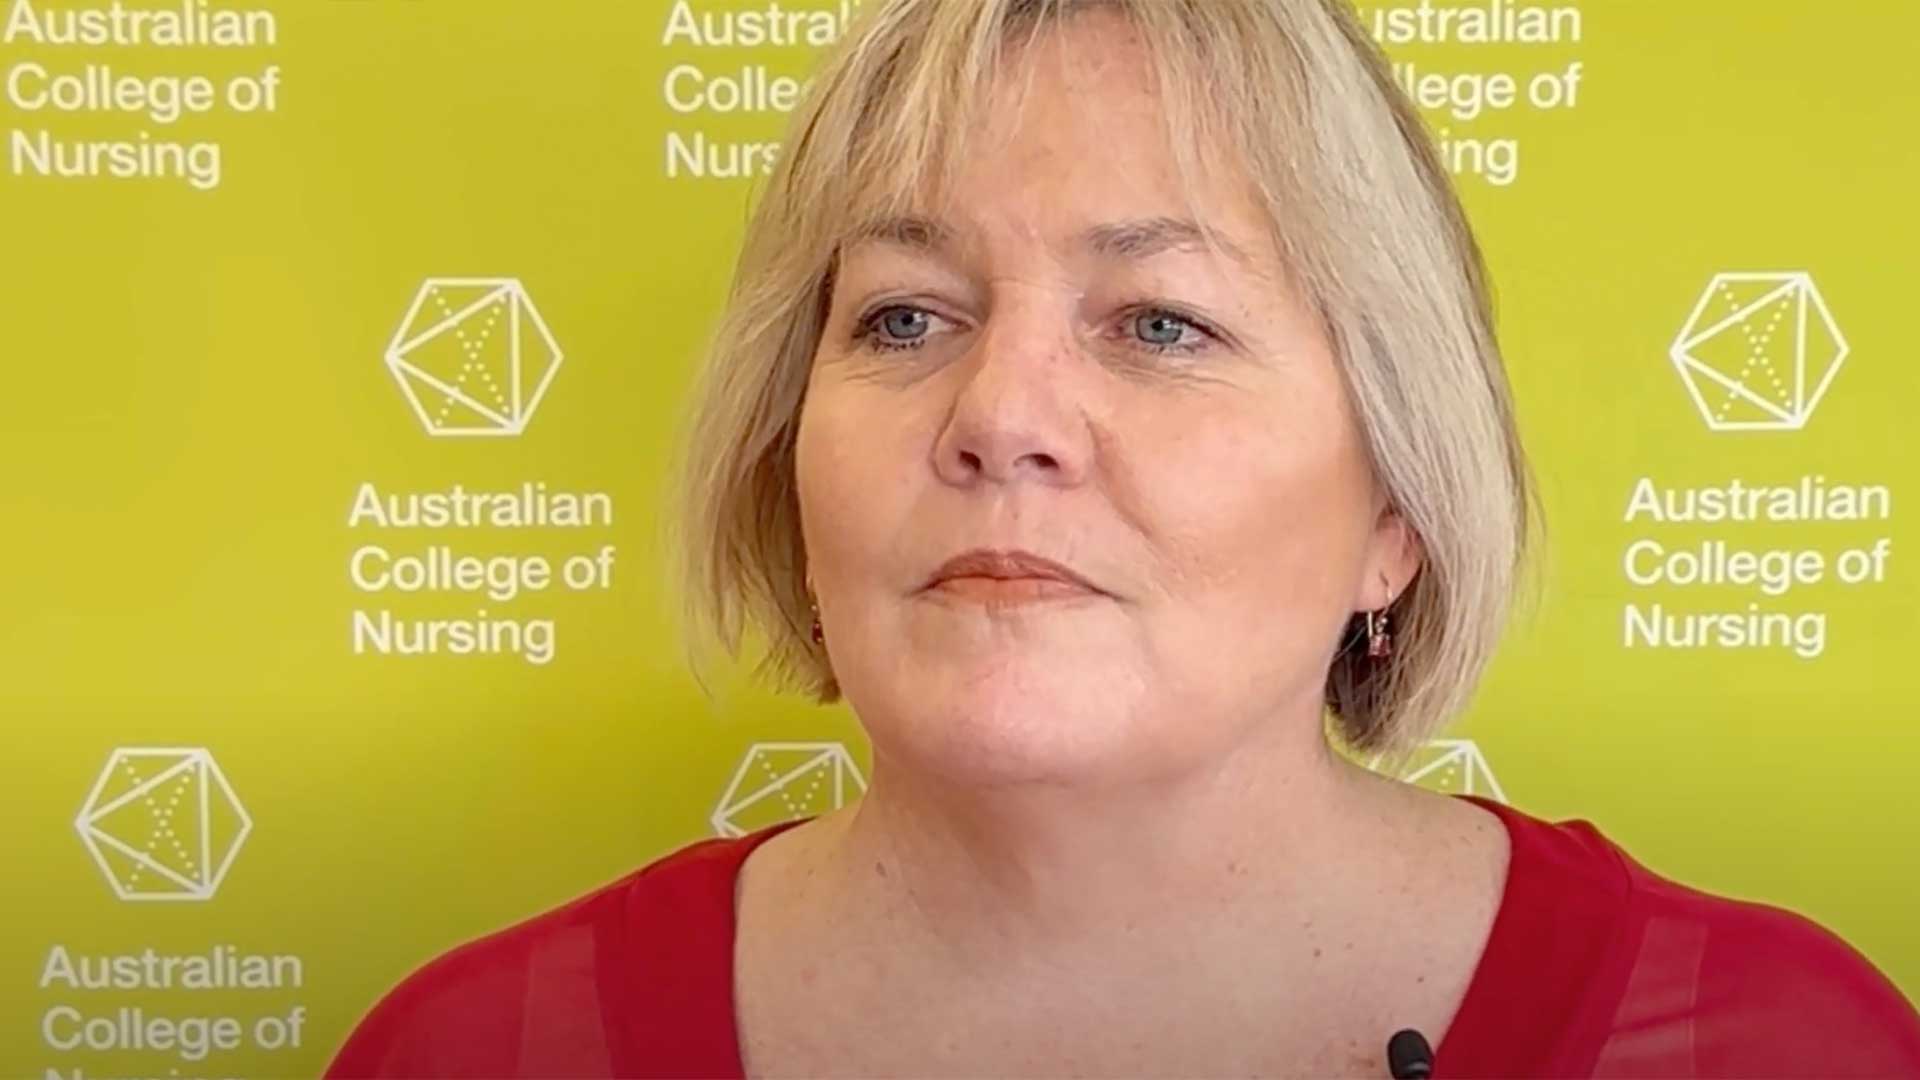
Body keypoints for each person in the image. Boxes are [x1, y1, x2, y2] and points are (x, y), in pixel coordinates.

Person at [326, 0, 1920, 1076]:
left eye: (1159, 323)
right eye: (903, 315)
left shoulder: (1777, 1045)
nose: (999, 411)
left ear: (1397, 512)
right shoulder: (473, 1050)